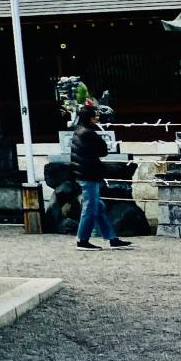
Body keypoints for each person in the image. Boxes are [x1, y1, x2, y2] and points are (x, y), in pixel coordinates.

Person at [71, 105, 132, 251]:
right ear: (90, 118)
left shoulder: (78, 131)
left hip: (83, 172)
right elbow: (103, 151)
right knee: (90, 207)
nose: (97, 118)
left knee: (98, 207)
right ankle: (82, 239)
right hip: (89, 173)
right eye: (95, 116)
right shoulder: (89, 133)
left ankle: (112, 238)